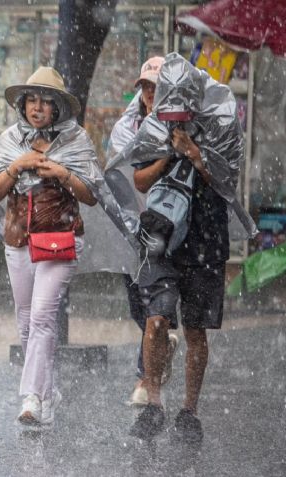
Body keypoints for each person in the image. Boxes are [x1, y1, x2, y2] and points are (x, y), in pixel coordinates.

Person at [118, 53, 257, 442]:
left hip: (207, 238)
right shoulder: (154, 126)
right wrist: (168, 153)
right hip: (162, 235)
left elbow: (227, 183)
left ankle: (189, 411)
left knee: (196, 329)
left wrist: (195, 153)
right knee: (156, 319)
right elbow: (141, 183)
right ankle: (154, 404)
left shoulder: (220, 125)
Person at [0, 67, 127, 427]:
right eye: (32, 100)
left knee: (44, 316)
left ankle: (30, 398)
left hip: (60, 240)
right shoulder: (9, 141)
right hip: (17, 239)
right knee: (27, 321)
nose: (38, 108)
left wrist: (62, 174)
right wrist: (17, 168)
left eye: (46, 101)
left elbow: (92, 195)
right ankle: (47, 391)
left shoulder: (75, 141)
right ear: (23, 104)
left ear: (58, 107)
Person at [90, 56, 179, 407]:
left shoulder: (181, 125)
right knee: (136, 305)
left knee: (154, 305)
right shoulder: (128, 129)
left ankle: (146, 378)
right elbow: (122, 174)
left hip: (169, 231)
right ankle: (162, 348)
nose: (150, 94)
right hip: (135, 227)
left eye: (156, 87)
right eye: (145, 87)